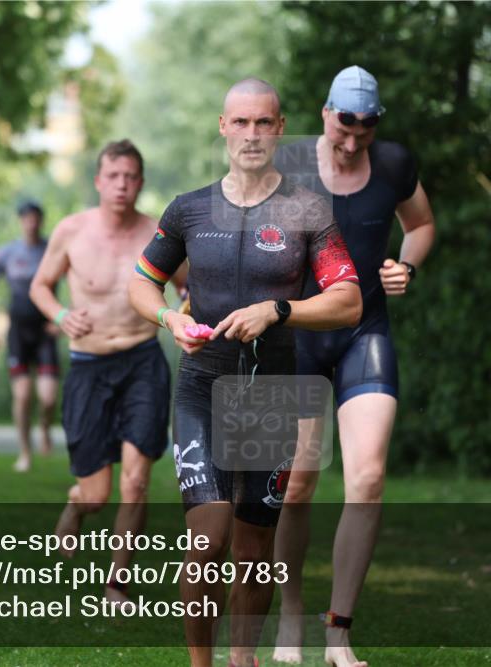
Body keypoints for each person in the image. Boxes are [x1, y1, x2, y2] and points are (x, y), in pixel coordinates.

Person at [129, 78, 364, 667]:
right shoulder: (187, 209)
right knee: (207, 540)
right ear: (222, 126)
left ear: (281, 128)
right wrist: (167, 319)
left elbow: (349, 300)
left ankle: (243, 661)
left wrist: (279, 309)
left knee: (256, 546)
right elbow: (140, 281)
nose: (252, 135)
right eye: (241, 123)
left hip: (271, 394)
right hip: (202, 387)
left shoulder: (306, 210)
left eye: (264, 123)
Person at [270, 66, 436, 667]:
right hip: (300, 339)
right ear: (325, 113)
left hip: (364, 332)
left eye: (364, 131)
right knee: (295, 487)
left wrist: (406, 266)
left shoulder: (392, 164)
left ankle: (338, 631)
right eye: (344, 126)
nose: (351, 141)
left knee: (366, 480)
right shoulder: (284, 163)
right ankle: (290, 614)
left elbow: (419, 224)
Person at [29, 140, 186, 604]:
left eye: (131, 176)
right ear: (98, 181)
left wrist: (185, 311)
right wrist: (60, 316)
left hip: (142, 361)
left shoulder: (158, 233)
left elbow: (186, 286)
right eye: (113, 176)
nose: (122, 185)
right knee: (97, 494)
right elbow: (41, 285)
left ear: (141, 181)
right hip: (88, 365)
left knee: (135, 481)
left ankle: (117, 581)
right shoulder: (72, 231)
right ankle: (78, 505)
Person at [0, 200, 60, 473]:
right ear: (21, 221)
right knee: (23, 396)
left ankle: (45, 427)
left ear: (41, 220)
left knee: (47, 398)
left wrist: (64, 319)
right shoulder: (7, 253)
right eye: (27, 218)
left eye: (36, 218)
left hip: (46, 332)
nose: (31, 223)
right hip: (18, 334)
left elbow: (81, 282)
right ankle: (25, 452)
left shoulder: (52, 251)